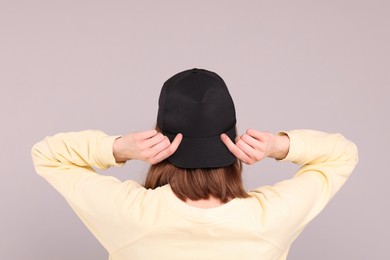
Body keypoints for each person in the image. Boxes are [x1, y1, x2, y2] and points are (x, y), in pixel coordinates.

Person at [31, 68, 358, 260]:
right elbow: (342, 155)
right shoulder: (269, 219)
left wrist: (118, 148)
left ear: (160, 141)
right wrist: (279, 146)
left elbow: (47, 155)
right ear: (230, 142)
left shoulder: (129, 213)